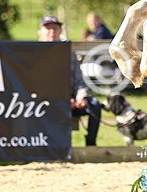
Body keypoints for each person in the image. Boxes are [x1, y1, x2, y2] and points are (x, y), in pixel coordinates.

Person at [39, 15, 101, 146]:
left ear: (60, 31)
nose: (52, 32)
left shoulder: (69, 53)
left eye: (55, 28)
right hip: (47, 102)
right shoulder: (35, 54)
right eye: (48, 28)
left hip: (72, 100)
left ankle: (91, 144)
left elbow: (79, 80)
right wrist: (62, 99)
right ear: (40, 32)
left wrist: (81, 97)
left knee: (94, 105)